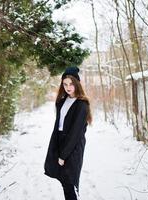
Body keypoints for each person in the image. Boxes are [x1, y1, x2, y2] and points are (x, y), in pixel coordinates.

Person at [44, 66, 92, 200]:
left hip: (73, 147)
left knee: (69, 183)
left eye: (71, 84)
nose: (68, 87)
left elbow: (75, 133)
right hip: (60, 143)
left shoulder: (82, 104)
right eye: (65, 84)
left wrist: (63, 155)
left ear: (77, 84)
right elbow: (58, 126)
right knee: (65, 182)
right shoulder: (62, 101)